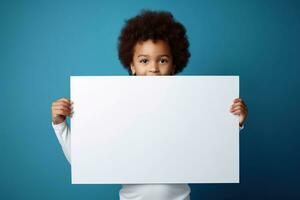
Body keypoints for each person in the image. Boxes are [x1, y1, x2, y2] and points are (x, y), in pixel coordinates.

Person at [51, 10, 248, 200]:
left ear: (174, 64)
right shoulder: (115, 108)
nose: (153, 68)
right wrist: (60, 125)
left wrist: (234, 122)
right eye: (144, 60)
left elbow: (211, 146)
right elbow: (84, 160)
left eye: (162, 60)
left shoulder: (188, 106)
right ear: (132, 65)